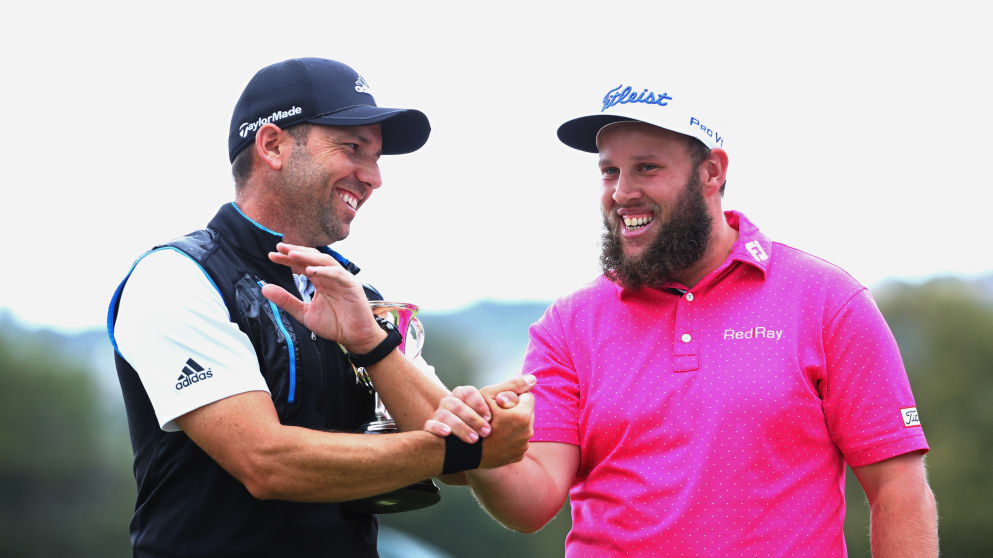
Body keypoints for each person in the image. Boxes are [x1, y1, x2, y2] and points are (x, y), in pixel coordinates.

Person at [425, 82, 939, 556]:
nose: (622, 192)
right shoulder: (569, 324)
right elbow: (532, 502)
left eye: (647, 167)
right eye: (610, 171)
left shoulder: (827, 300)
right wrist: (480, 454)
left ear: (712, 172)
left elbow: (898, 488)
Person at [107, 57, 533, 558]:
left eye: (377, 158)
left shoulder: (359, 295)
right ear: (272, 146)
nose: (373, 178)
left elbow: (458, 461)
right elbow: (266, 462)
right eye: (353, 149)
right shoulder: (176, 276)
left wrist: (380, 351)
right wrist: (461, 445)